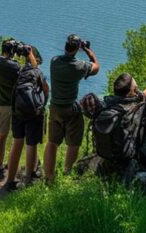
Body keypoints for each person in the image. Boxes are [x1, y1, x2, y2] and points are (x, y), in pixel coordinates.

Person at [43, 34, 99, 184]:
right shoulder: (79, 66)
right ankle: (67, 174)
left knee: (52, 142)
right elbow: (96, 67)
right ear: (76, 49)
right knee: (73, 144)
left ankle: (49, 178)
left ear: (65, 46)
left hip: (54, 107)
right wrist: (87, 50)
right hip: (70, 109)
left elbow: (65, 57)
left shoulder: (54, 62)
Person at [5, 45, 49, 191]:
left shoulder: (19, 71)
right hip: (33, 113)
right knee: (31, 145)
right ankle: (29, 180)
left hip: (17, 111)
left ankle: (10, 181)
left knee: (17, 143)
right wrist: (43, 104)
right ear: (35, 58)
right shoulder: (37, 72)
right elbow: (46, 89)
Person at [0, 40, 21, 181]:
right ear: (13, 52)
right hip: (17, 105)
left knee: (2, 135)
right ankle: (13, 165)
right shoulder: (16, 67)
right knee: (17, 137)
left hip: (2, 103)